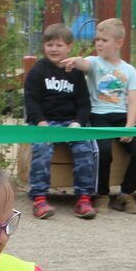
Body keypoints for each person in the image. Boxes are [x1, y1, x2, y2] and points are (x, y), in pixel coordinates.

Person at [61, 18, 136, 213]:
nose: (99, 44)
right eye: (97, 40)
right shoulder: (95, 62)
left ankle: (126, 195)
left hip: (121, 117)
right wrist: (74, 61)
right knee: (103, 151)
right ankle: (101, 194)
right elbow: (83, 63)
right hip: (98, 115)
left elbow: (133, 100)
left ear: (119, 43)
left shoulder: (129, 70)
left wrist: (129, 126)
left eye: (104, 40)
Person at [24, 22, 98, 219]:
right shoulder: (38, 70)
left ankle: (84, 198)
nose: (54, 49)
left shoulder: (75, 72)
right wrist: (40, 122)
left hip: (70, 123)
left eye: (59, 45)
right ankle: (39, 198)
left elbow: (84, 104)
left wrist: (78, 123)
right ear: (43, 46)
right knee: (42, 148)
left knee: (84, 148)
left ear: (69, 47)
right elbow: (30, 100)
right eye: (50, 45)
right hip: (44, 123)